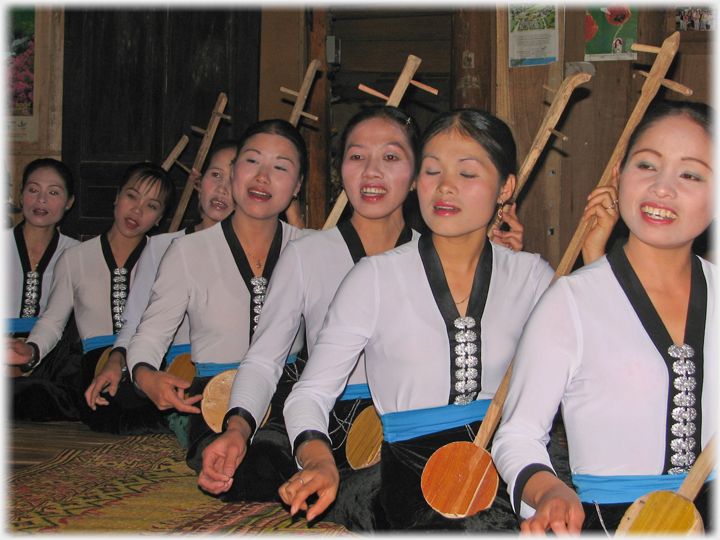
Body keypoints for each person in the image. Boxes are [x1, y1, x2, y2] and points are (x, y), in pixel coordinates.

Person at [276, 108, 619, 531]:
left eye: (468, 174)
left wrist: (596, 257)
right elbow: (309, 394)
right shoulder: (375, 279)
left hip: (517, 462)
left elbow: (601, 377)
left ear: (506, 187)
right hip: (416, 470)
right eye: (432, 170)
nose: (445, 187)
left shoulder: (531, 277)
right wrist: (318, 458)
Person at [195, 106, 525, 513]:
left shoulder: (451, 248)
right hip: (328, 423)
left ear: (417, 173)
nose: (371, 172)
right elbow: (265, 359)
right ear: (341, 172)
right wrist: (237, 429)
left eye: (390, 157)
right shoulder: (306, 255)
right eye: (356, 157)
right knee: (262, 467)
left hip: (415, 425)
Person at [491, 101, 715, 534]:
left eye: (690, 174)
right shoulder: (571, 301)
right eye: (646, 165)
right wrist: (550, 491)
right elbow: (517, 435)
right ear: (618, 176)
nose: (662, 188)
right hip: (608, 523)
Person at [126, 119, 312, 468]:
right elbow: (149, 334)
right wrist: (144, 373)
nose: (262, 177)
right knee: (244, 466)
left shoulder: (311, 247)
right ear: (234, 170)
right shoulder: (188, 251)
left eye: (280, 167)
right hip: (215, 394)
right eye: (252, 161)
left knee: (275, 459)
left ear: (297, 185)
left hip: (290, 390)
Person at [83, 142, 238, 432]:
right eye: (215, 175)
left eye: (233, 180)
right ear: (197, 181)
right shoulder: (161, 246)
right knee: (109, 404)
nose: (222, 189)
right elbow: (136, 322)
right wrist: (117, 362)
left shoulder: (251, 252)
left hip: (225, 373)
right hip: (170, 369)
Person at [7, 162, 175, 428]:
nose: (137, 210)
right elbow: (52, 321)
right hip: (94, 364)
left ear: (159, 218)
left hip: (146, 365)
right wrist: (31, 350)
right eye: (131, 196)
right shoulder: (75, 258)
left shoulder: (167, 258)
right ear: (116, 197)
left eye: (152, 206)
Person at [6, 159, 79, 339]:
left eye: (53, 192)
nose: (41, 199)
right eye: (33, 190)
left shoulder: (78, 253)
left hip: (55, 356)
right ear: (21, 196)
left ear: (69, 202)